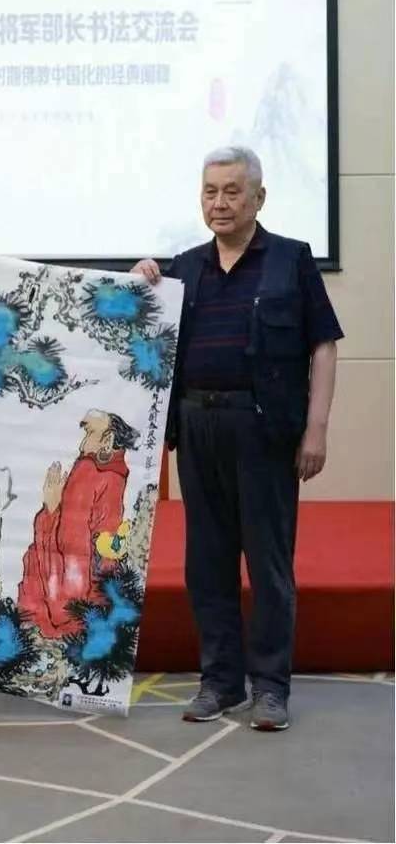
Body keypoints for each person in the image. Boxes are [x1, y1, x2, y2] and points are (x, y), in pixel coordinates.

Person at [132, 146, 343, 731]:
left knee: (268, 562)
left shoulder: (290, 260)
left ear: (258, 197)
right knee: (207, 562)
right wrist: (140, 284)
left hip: (264, 431)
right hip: (197, 428)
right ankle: (220, 683)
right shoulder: (184, 267)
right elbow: (139, 335)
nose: (219, 203)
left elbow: (323, 346)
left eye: (232, 191)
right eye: (210, 191)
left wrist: (316, 428)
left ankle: (270, 687)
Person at [17, 409, 139, 638]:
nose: (83, 443)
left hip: (74, 592)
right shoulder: (100, 470)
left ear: (108, 439)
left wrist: (51, 510)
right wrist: (51, 509)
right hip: (80, 584)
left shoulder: (96, 473)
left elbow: (76, 544)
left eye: (89, 432)